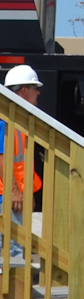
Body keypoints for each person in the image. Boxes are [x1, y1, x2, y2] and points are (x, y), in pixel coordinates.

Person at [1, 66, 43, 254]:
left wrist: (27, 193)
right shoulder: (5, 119)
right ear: (24, 91)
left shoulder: (17, 119)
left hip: (14, 195)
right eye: (35, 88)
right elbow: (1, 157)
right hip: (7, 196)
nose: (38, 92)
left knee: (15, 249)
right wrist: (15, 192)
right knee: (14, 251)